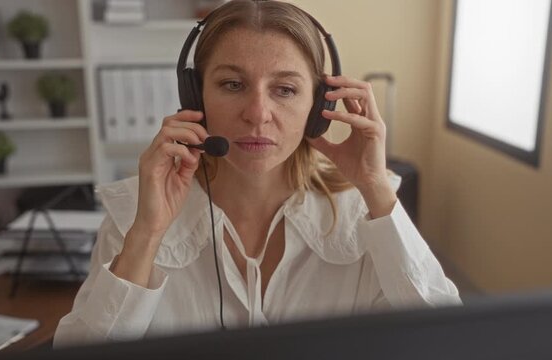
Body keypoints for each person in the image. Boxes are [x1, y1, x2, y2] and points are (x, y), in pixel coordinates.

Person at [54, 0, 460, 347]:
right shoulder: (135, 215)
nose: (257, 114)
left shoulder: (363, 212)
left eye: (284, 90)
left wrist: (374, 188)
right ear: (194, 95)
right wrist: (146, 233)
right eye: (232, 84)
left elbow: (449, 343)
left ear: (319, 105)